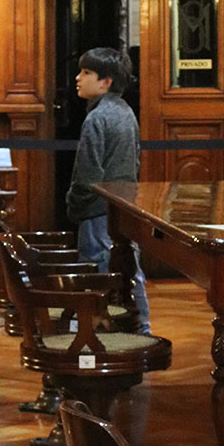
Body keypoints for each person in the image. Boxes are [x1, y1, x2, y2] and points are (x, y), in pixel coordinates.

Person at [66, 46, 151, 334]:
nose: (78, 78)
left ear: (106, 82)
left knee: (97, 274)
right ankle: (140, 329)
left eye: (86, 72)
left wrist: (75, 205)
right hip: (122, 207)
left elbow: (87, 175)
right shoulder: (125, 112)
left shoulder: (97, 118)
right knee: (130, 271)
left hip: (97, 210)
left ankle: (95, 338)